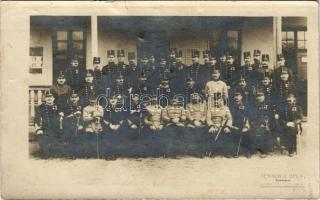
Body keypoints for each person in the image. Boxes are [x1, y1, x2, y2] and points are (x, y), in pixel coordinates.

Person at [206, 92, 233, 157]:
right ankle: (212, 151)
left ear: (222, 100)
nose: (216, 101)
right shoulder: (210, 108)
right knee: (210, 133)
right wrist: (211, 126)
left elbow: (229, 119)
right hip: (213, 126)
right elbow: (208, 119)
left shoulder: (226, 109)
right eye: (214, 100)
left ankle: (226, 152)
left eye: (218, 100)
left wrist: (227, 127)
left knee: (227, 132)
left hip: (222, 126)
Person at [250, 89, 275, 158]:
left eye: (261, 96)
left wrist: (265, 122)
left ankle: (265, 150)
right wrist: (258, 123)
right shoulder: (254, 105)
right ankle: (255, 148)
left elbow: (271, 115)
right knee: (254, 130)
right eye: (258, 96)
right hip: (256, 123)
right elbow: (253, 116)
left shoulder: (268, 104)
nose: (259, 97)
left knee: (265, 130)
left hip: (268, 122)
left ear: (264, 97)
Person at [229, 91, 251, 157]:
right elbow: (229, 117)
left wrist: (247, 125)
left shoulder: (245, 105)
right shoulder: (231, 105)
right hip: (234, 124)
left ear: (241, 97)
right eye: (235, 96)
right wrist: (232, 126)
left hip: (243, 124)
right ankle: (234, 151)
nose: (236, 97)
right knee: (234, 134)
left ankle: (247, 152)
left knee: (246, 133)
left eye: (238, 96)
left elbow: (248, 116)